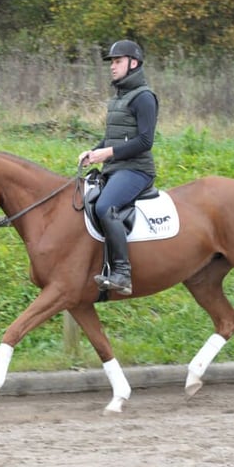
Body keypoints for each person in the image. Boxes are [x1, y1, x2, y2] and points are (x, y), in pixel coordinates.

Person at [79, 39, 158, 295]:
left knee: (105, 206)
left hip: (137, 170)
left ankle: (122, 273)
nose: (112, 67)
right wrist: (94, 151)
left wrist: (108, 152)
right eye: (111, 62)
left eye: (117, 61)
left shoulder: (144, 98)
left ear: (133, 63)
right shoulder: (119, 98)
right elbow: (115, 137)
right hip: (116, 168)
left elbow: (145, 141)